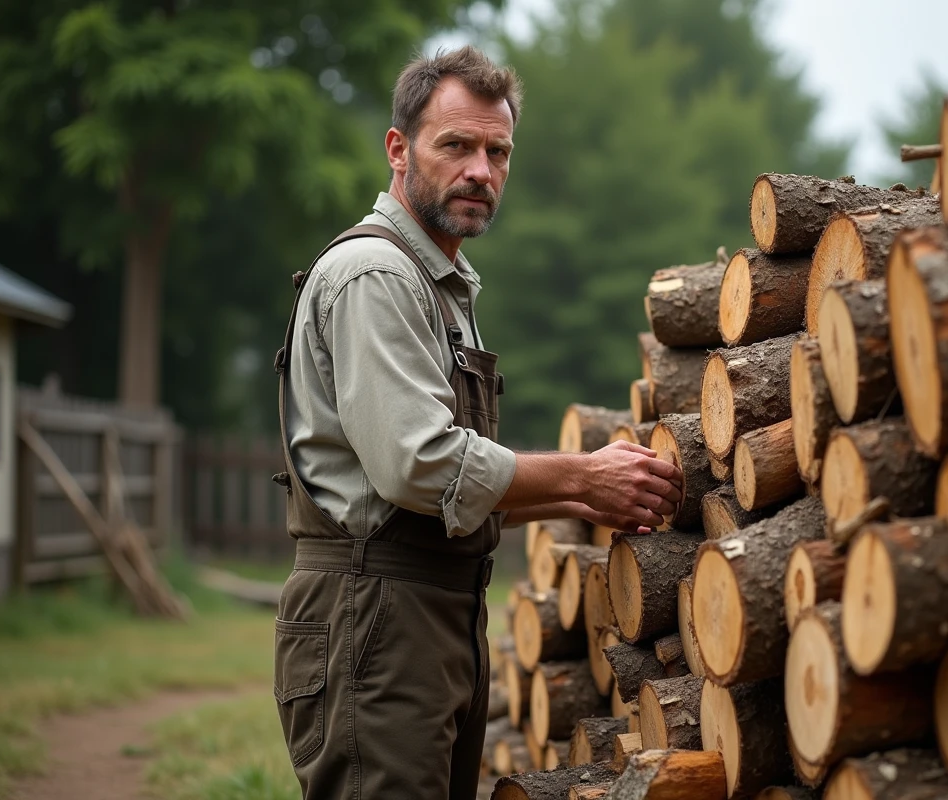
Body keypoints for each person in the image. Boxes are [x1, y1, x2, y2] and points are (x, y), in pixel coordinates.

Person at [271, 46, 683, 800]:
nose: (481, 172)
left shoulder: (440, 281)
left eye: (498, 152)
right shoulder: (377, 274)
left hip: (428, 616)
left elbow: (445, 497)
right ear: (399, 149)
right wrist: (584, 474)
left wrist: (581, 501)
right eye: (455, 145)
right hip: (373, 617)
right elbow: (417, 465)